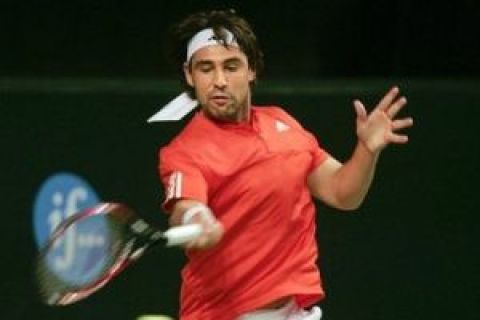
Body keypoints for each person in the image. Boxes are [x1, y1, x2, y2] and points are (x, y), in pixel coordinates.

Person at [152, 9, 413, 320]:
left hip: (294, 313)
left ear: (251, 70)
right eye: (206, 69)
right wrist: (197, 216)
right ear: (189, 74)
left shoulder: (283, 122)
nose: (219, 81)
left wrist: (367, 150)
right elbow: (185, 207)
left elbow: (343, 194)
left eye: (231, 66)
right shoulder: (185, 150)